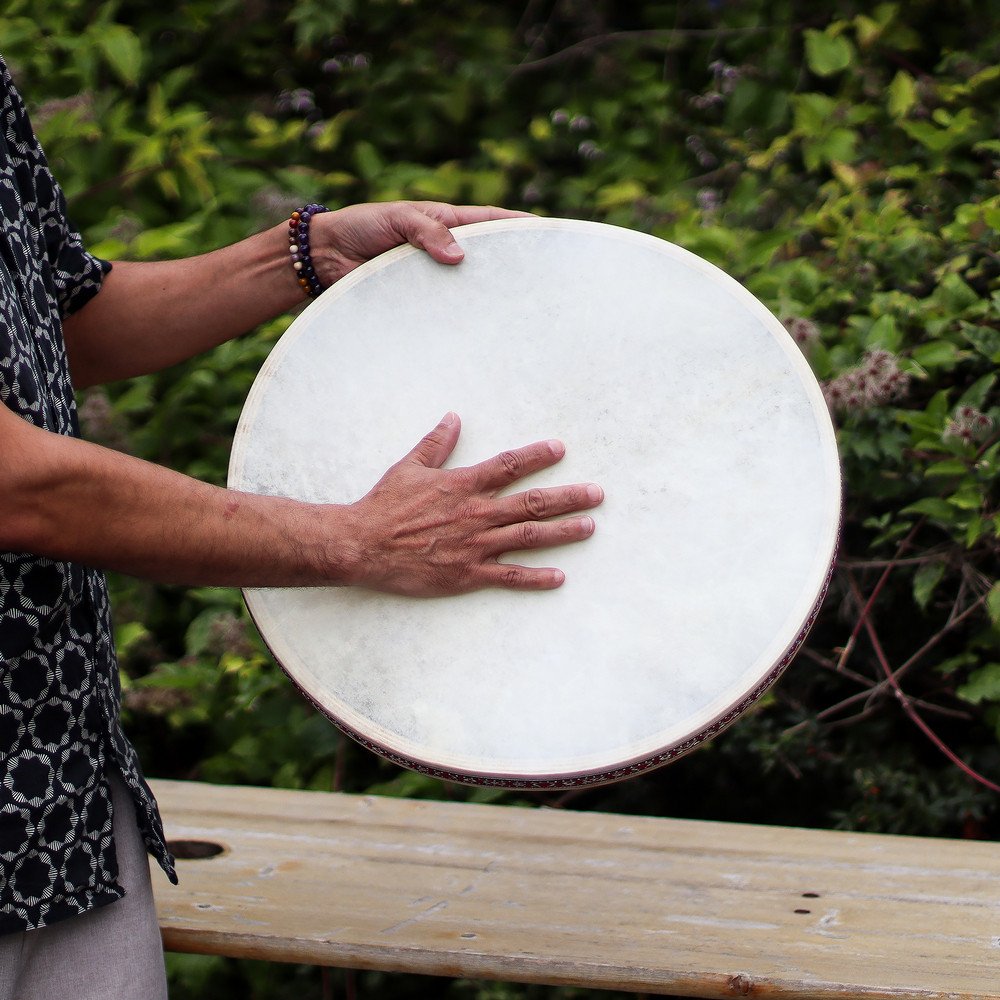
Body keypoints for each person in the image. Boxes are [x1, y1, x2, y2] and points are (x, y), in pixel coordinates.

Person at [0, 55, 603, 998]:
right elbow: (16, 485)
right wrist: (355, 541)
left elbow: (56, 325)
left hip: (58, 790)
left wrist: (304, 254)